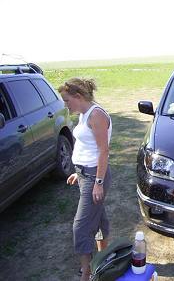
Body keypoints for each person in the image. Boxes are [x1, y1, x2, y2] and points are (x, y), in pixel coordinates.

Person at [58, 78, 112, 281]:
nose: (66, 105)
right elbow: (86, 146)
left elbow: (103, 151)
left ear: (78, 97)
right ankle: (104, 259)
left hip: (94, 176)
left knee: (80, 227)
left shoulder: (96, 115)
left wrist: (97, 182)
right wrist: (77, 172)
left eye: (67, 100)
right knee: (98, 218)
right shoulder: (84, 114)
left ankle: (86, 273)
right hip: (85, 174)